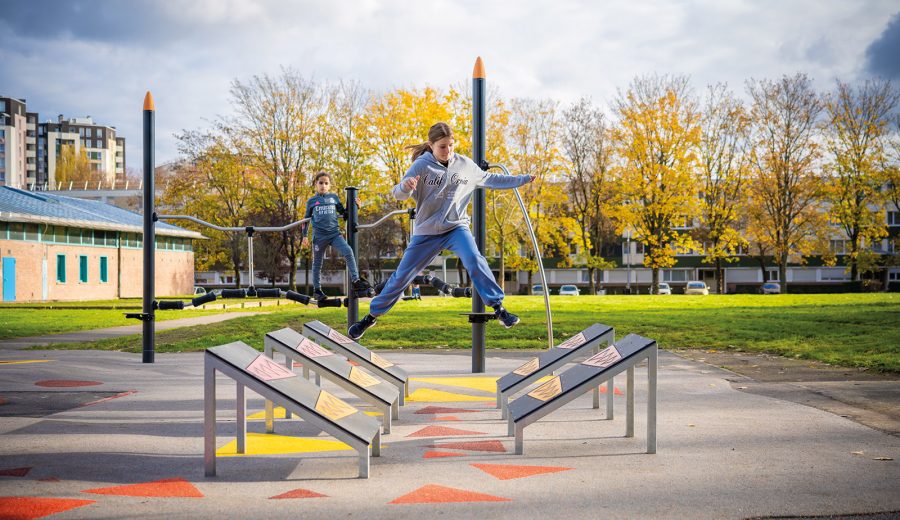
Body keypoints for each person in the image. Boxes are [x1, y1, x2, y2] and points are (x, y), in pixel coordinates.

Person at [348, 122, 534, 339]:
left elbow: (492, 179)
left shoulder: (465, 165)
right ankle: (370, 317)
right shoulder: (421, 165)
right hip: (427, 231)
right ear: (431, 145)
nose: (448, 151)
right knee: (402, 276)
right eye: (442, 147)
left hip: (456, 227)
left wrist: (521, 180)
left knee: (474, 259)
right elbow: (397, 193)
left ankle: (499, 309)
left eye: (451, 146)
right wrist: (405, 188)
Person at [301, 171, 371, 301]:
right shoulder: (312, 201)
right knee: (317, 264)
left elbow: (345, 213)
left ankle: (355, 280)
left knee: (348, 251)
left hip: (334, 234)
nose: (323, 185)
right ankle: (317, 291)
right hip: (319, 237)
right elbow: (306, 219)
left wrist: (356, 207)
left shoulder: (334, 198)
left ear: (330, 185)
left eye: (326, 183)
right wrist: (304, 236)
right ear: (315, 184)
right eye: (320, 183)